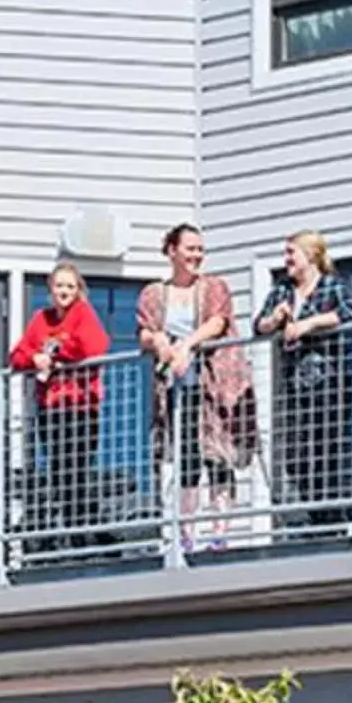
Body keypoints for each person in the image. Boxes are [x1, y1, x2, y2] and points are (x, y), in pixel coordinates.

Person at [137, 224, 254, 552]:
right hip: (177, 389)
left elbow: (217, 323)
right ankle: (187, 534)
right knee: (187, 457)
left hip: (214, 384)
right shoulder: (154, 293)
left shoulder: (214, 287)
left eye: (200, 249)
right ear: (172, 251)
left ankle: (219, 531)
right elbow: (144, 331)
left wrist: (186, 345)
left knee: (219, 455)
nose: (196, 255)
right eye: (190, 248)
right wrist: (159, 340)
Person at [253, 229, 352, 536]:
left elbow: (348, 314)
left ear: (310, 255)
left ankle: (330, 522)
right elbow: (259, 325)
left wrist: (309, 323)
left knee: (325, 453)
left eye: (291, 253)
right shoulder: (283, 290)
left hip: (328, 383)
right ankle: (315, 517)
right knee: (297, 457)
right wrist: (275, 319)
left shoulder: (331, 286)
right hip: (294, 383)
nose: (286, 260)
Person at [9, 262, 110, 546]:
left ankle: (80, 532)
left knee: (77, 468)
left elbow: (94, 346)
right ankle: (69, 529)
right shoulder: (41, 319)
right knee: (58, 468)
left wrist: (55, 354)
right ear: (50, 290)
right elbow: (16, 355)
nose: (64, 291)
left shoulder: (83, 313)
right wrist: (35, 359)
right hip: (51, 407)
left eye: (70, 286)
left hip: (80, 407)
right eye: (59, 286)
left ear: (78, 291)